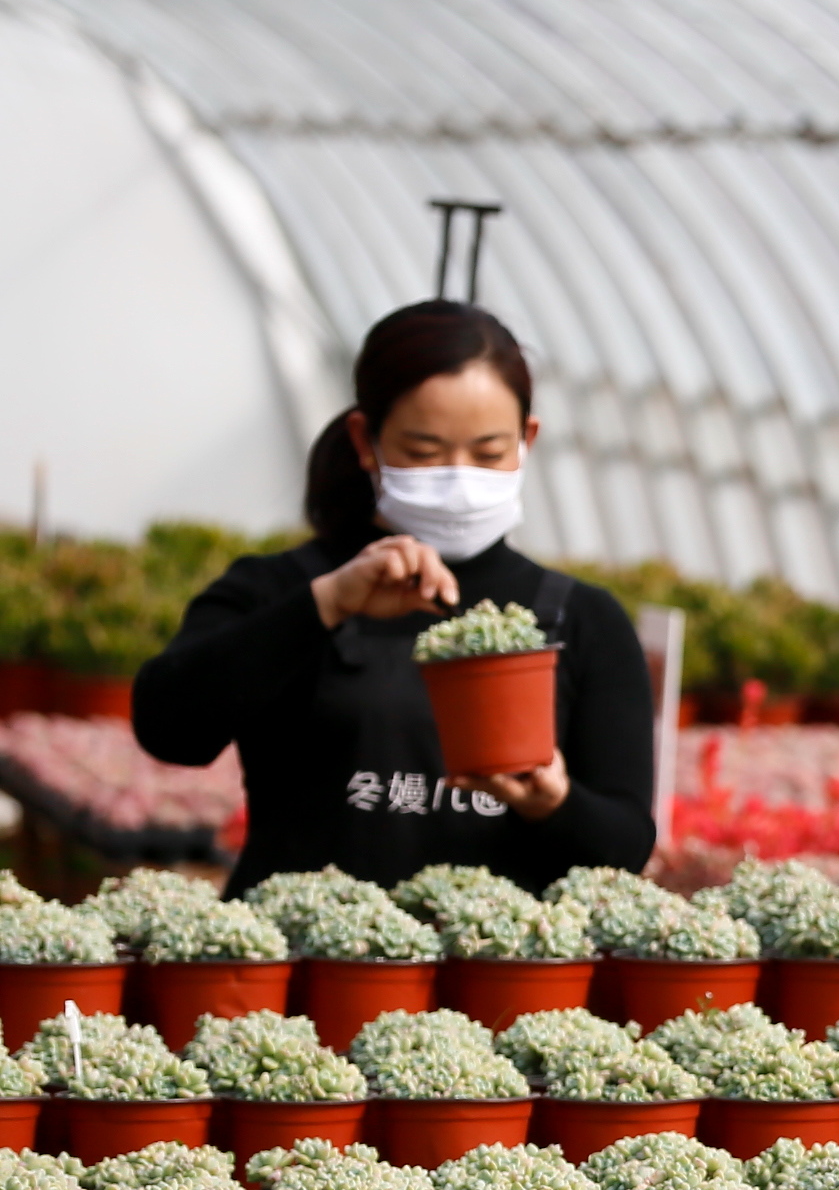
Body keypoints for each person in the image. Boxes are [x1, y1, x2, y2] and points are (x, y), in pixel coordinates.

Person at [135, 300, 655, 893]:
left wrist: (553, 802)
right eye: (424, 451)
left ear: (526, 441)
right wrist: (325, 605)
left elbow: (625, 845)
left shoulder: (582, 618)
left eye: (488, 453)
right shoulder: (280, 589)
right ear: (365, 439)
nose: (459, 477)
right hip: (297, 970)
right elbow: (168, 727)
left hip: (488, 977)